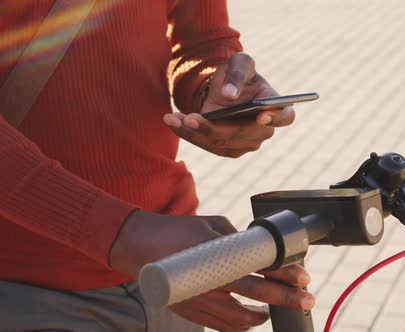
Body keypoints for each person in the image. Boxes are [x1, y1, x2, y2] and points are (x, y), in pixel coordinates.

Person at [0, 1, 314, 331]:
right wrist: (122, 234)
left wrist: (215, 91)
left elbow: (203, 37)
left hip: (174, 264)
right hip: (26, 287)